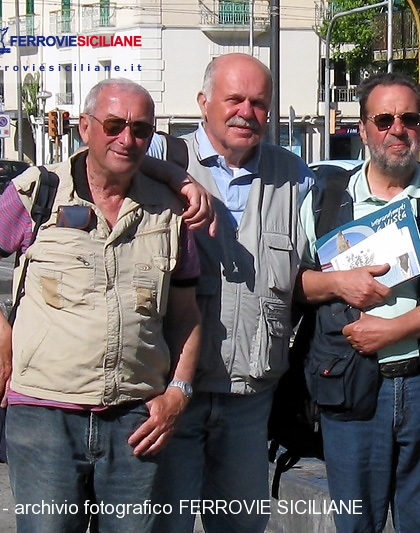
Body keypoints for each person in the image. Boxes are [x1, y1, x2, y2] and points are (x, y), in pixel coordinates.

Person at [0, 78, 203, 532]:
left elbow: (186, 315)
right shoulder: (39, 193)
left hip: (134, 420)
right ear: (84, 127)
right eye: (113, 124)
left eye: (141, 129)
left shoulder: (169, 213)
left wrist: (178, 393)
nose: (126, 139)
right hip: (44, 419)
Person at [297, 72, 420, 532]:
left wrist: (393, 330)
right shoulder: (324, 198)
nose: (397, 129)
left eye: (409, 118)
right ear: (362, 129)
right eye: (383, 119)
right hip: (351, 386)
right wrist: (340, 284)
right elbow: (296, 287)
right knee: (356, 526)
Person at [151, 53, 314, 533]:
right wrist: (175, 179)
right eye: (234, 99)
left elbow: (311, 270)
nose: (247, 111)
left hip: (250, 397)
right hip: (172, 395)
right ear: (203, 103)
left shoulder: (295, 177)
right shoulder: (160, 164)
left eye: (259, 102)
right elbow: (96, 159)